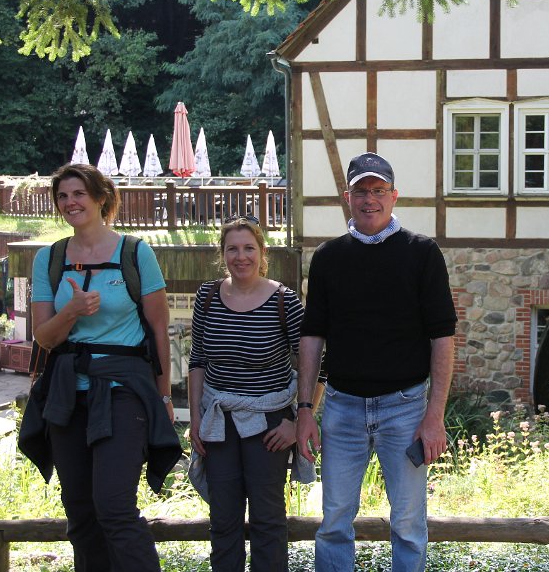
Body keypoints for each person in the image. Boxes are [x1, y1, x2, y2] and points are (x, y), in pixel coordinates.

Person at [296, 152, 457, 572]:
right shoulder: (328, 257)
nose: (370, 199)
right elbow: (312, 337)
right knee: (334, 521)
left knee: (408, 523)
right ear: (347, 197)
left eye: (379, 190)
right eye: (361, 191)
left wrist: (434, 415)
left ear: (394, 196)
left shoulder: (422, 253)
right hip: (342, 408)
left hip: (405, 407)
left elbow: (442, 337)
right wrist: (305, 409)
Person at [18, 163, 181, 572]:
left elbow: (159, 330)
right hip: (67, 394)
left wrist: (164, 396)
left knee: (114, 507)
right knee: (79, 509)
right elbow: (44, 337)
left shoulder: (135, 253)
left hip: (123, 390)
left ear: (100, 197)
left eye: (79, 194)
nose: (70, 202)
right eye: (62, 196)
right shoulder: (49, 258)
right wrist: (72, 311)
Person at [188, 215, 311, 571]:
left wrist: (297, 421)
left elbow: (315, 364)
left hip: (269, 422)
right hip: (218, 421)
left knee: (268, 519)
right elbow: (198, 359)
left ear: (262, 252)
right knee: (223, 519)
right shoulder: (207, 296)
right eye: (232, 249)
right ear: (222, 254)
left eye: (248, 248)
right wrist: (195, 418)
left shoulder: (284, 301)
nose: (240, 257)